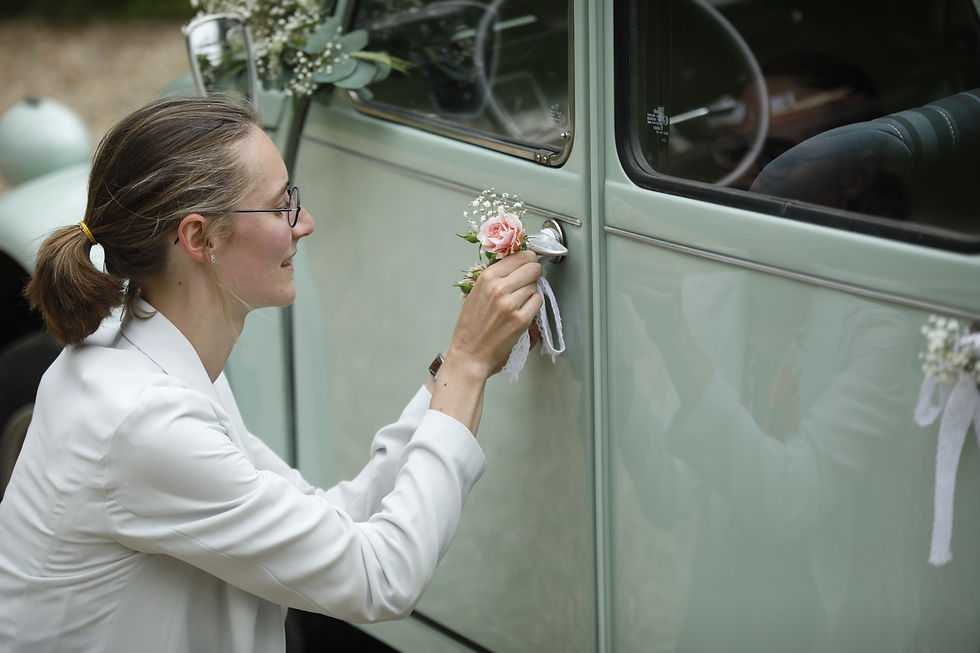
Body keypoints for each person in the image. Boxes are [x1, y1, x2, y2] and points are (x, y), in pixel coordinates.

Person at [0, 95, 543, 652]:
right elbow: (380, 579)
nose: (305, 223)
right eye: (282, 205)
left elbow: (332, 515)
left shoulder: (150, 363)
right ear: (198, 238)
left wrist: (448, 373)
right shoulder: (144, 420)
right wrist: (467, 366)